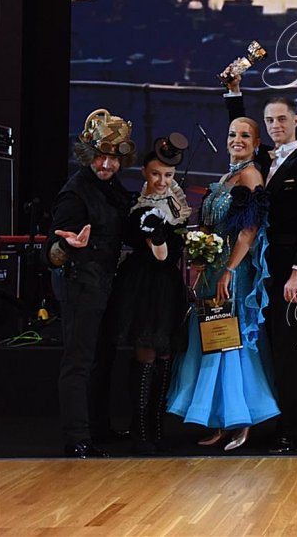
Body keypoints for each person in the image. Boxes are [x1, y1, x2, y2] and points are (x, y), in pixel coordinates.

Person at [224, 76, 297, 454]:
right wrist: (234, 94)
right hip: (268, 269)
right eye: (270, 120)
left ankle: (296, 431)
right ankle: (288, 424)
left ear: (295, 121)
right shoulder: (268, 158)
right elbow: (242, 134)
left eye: (281, 119)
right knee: (277, 349)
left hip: (291, 271)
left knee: (291, 352)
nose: (275, 125)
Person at [167, 116, 279, 451]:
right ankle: (218, 418)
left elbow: (249, 230)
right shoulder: (225, 177)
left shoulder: (251, 174)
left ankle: (241, 420)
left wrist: (229, 269)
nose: (237, 140)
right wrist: (202, 254)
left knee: (232, 343)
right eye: (232, 134)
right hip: (213, 271)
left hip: (233, 273)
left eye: (245, 135)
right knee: (213, 341)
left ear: (256, 144)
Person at [45, 109, 136, 458]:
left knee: (102, 358)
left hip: (104, 284)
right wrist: (68, 245)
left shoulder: (111, 187)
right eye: (100, 157)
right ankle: (77, 438)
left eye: (113, 158)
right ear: (88, 154)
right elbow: (50, 252)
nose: (106, 164)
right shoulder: (75, 193)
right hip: (79, 284)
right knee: (79, 362)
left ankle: (98, 428)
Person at [110, 134, 192, 454]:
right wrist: (156, 233)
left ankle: (156, 426)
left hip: (167, 286)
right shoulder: (138, 209)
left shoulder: (178, 208)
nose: (162, 181)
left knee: (165, 354)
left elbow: (172, 254)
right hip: (142, 286)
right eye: (156, 173)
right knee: (146, 351)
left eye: (168, 175)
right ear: (145, 172)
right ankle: (141, 430)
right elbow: (158, 254)